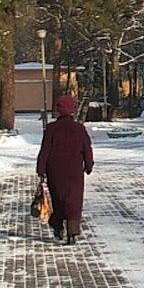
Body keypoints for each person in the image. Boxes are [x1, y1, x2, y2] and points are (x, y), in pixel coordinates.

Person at [36, 94, 94, 243]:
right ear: (73, 110)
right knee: (74, 201)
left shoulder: (51, 129)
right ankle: (72, 232)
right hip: (74, 172)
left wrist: (41, 169)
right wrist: (88, 165)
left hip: (55, 172)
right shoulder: (79, 129)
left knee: (58, 199)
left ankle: (57, 226)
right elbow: (87, 148)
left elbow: (45, 150)